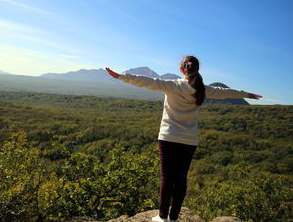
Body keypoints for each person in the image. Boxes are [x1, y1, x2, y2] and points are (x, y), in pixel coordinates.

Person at [105, 55, 262, 222]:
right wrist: (248, 94)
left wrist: (121, 76)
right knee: (181, 178)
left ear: (181, 70)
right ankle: (174, 218)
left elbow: (146, 81)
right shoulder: (202, 89)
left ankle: (162, 217)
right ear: (196, 70)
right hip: (189, 140)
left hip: (168, 136)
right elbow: (225, 93)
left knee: (167, 177)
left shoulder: (172, 85)